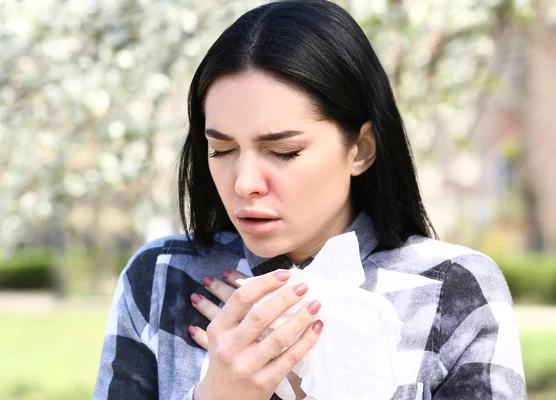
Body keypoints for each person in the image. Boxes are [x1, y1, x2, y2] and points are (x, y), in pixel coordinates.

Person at [93, 1, 526, 399]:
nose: (245, 183)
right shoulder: (164, 277)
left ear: (361, 148)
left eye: (283, 151)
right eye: (221, 150)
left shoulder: (451, 288)